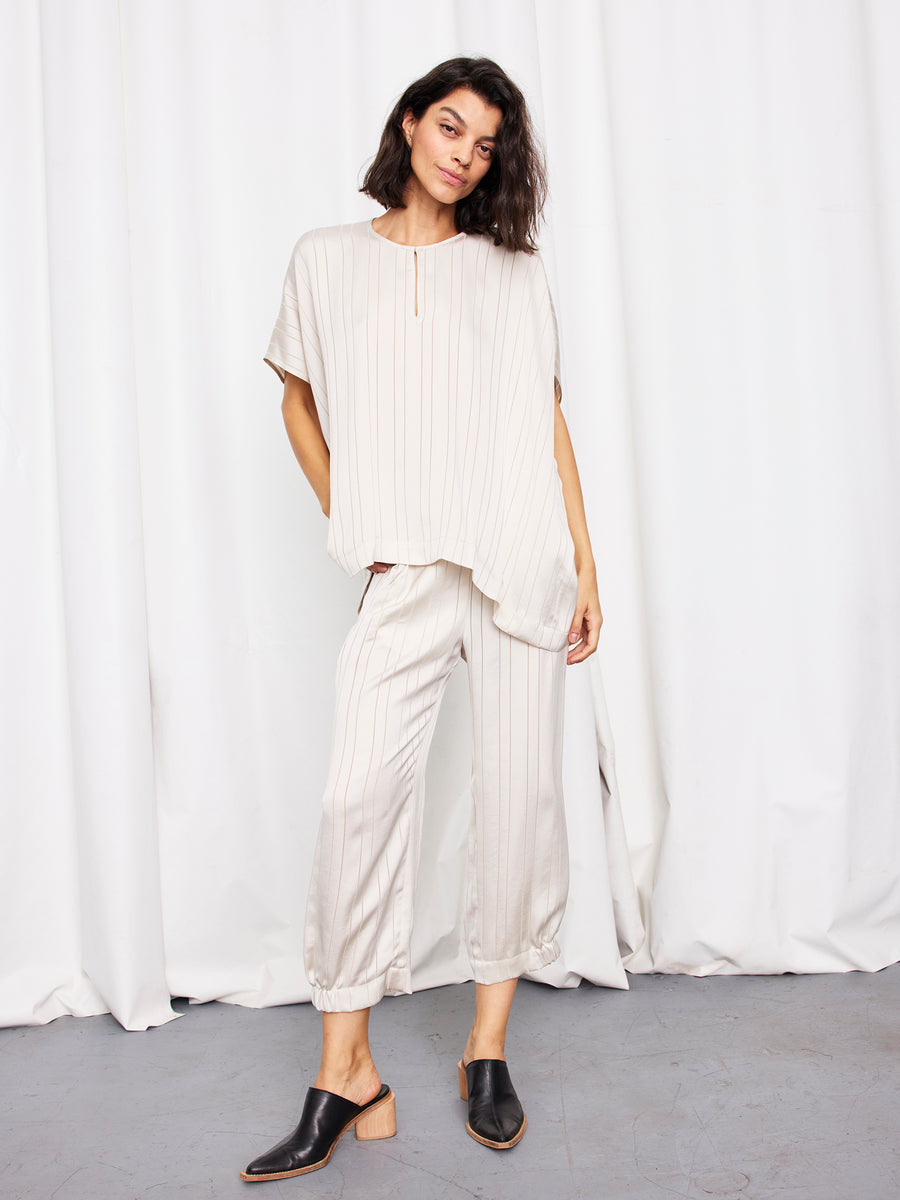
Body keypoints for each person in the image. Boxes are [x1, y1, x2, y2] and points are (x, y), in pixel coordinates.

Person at [241, 56, 602, 1183]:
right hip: (407, 569)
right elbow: (294, 394)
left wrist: (587, 562)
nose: (464, 152)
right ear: (410, 124)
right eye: (451, 126)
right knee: (357, 801)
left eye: (487, 142)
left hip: (513, 560)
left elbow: (544, 418)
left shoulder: (511, 272)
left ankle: (485, 1047)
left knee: (517, 797)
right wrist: (349, 506)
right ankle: (345, 1069)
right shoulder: (328, 261)